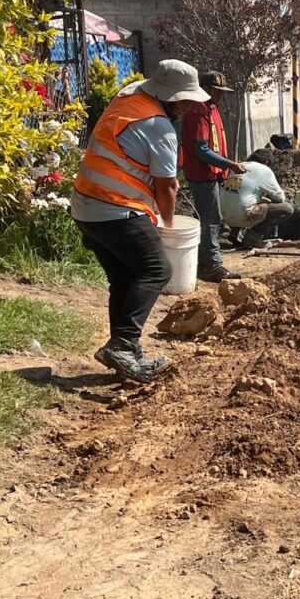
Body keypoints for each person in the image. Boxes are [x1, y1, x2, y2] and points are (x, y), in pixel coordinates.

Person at [71, 59, 210, 383]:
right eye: (185, 101)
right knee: (157, 269)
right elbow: (168, 186)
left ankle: (123, 351)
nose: (188, 107)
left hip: (86, 206)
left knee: (124, 276)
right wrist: (167, 225)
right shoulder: (159, 127)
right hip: (114, 208)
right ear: (170, 97)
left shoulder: (129, 96)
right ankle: (123, 345)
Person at [181, 70, 245, 282]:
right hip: (202, 175)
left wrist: (224, 167)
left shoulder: (211, 108)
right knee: (210, 220)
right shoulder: (198, 110)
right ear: (205, 89)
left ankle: (202, 262)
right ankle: (211, 265)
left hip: (212, 174)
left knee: (211, 218)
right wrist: (230, 164)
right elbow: (201, 149)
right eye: (217, 91)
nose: (221, 96)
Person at [219, 157, 296, 248]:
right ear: (266, 162)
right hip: (244, 214)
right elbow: (280, 198)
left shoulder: (238, 166)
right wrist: (268, 200)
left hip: (225, 214)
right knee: (287, 208)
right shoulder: (264, 170)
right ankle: (254, 236)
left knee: (239, 197)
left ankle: (234, 233)